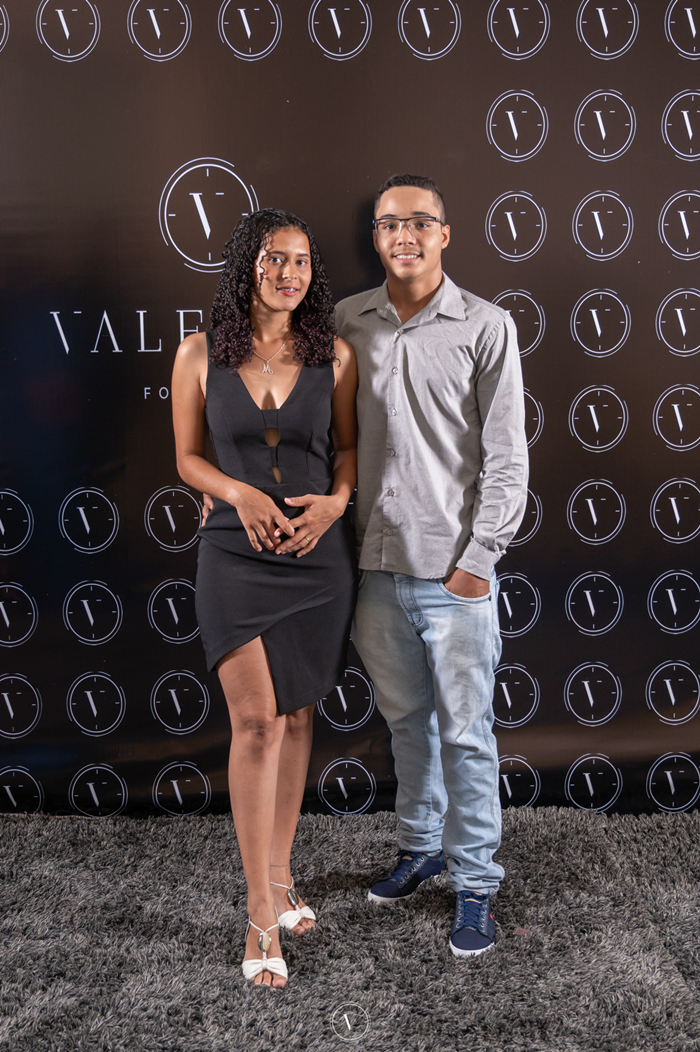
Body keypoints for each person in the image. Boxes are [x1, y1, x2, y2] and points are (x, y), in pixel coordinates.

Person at [335, 174, 528, 958]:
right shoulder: (347, 321)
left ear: (444, 233)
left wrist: (479, 561)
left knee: (467, 736)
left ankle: (476, 882)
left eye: (420, 222)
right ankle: (421, 848)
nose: (404, 235)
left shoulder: (487, 325)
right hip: (373, 572)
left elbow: (507, 458)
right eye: (390, 224)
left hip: (455, 577)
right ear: (376, 238)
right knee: (406, 725)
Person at [171, 209, 358, 988]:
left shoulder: (335, 355)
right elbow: (186, 458)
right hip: (233, 556)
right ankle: (257, 915)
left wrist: (335, 505)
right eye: (275, 259)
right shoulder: (198, 353)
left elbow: (348, 450)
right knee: (255, 723)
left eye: (302, 261)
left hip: (317, 559)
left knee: (299, 716)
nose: (290, 273)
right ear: (246, 264)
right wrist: (239, 493)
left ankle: (281, 878)